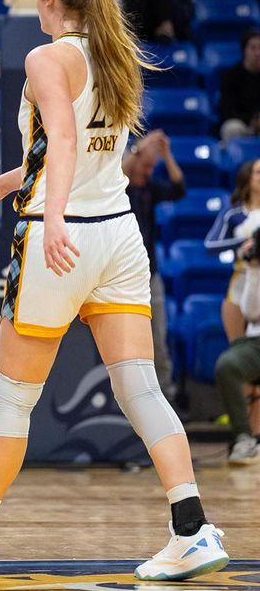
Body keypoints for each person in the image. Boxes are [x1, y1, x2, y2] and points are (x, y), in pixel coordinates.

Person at [0, 0, 229, 581]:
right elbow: (83, 150)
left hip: (61, 236)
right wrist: (8, 182)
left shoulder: (46, 57)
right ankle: (191, 528)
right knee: (140, 388)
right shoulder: (117, 53)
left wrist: (50, 215)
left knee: (12, 397)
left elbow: (62, 137)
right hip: (118, 234)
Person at [124, 131, 185, 396]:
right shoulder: (119, 187)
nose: (148, 171)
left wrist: (166, 154)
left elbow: (179, 188)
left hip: (150, 273)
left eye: (152, 167)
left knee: (158, 339)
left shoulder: (151, 188)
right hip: (120, 275)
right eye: (145, 166)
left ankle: (166, 395)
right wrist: (140, 148)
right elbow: (120, 171)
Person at [214, 236, 260, 465]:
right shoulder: (254, 263)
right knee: (228, 364)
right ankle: (244, 437)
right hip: (256, 340)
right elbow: (252, 312)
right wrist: (254, 268)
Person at [205, 159, 260, 342]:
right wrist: (244, 241)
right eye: (258, 172)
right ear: (248, 178)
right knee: (237, 347)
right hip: (242, 278)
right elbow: (210, 245)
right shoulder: (233, 213)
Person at [218, 29, 260, 143]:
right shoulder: (232, 76)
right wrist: (252, 121)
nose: (258, 53)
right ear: (244, 50)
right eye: (253, 48)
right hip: (243, 125)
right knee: (231, 127)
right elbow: (227, 110)